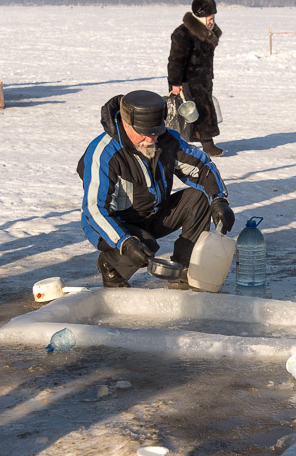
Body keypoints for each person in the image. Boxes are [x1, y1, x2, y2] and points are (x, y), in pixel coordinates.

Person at [77, 90, 234, 289]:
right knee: (145, 244)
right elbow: (94, 209)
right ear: (126, 124)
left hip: (152, 212)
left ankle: (184, 268)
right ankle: (111, 267)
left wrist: (219, 199)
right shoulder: (104, 153)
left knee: (199, 199)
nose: (150, 140)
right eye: (144, 133)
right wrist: (125, 242)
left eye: (155, 132)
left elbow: (201, 167)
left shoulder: (166, 140)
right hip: (113, 223)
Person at [168, 0, 224, 157]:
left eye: (213, 18)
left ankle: (207, 144)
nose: (212, 22)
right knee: (185, 115)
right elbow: (176, 60)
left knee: (204, 110)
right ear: (200, 17)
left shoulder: (206, 33)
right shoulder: (183, 34)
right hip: (187, 81)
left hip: (203, 80)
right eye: (209, 18)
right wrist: (175, 83)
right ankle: (176, 145)